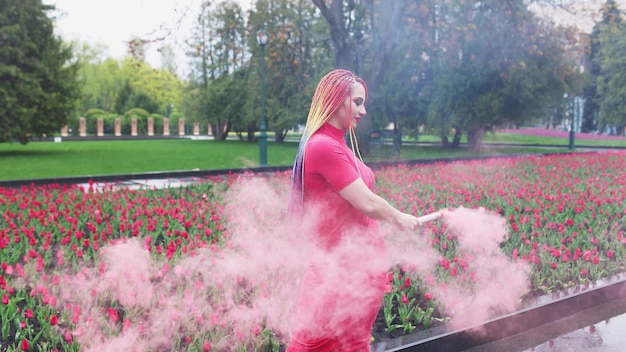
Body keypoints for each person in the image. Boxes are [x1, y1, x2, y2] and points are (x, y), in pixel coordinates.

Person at [286, 69, 422, 351]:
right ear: (336, 100)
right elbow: (368, 203)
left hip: (357, 278)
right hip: (335, 280)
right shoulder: (323, 145)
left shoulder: (340, 144)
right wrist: (398, 217)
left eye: (363, 103)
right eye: (357, 102)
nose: (363, 110)